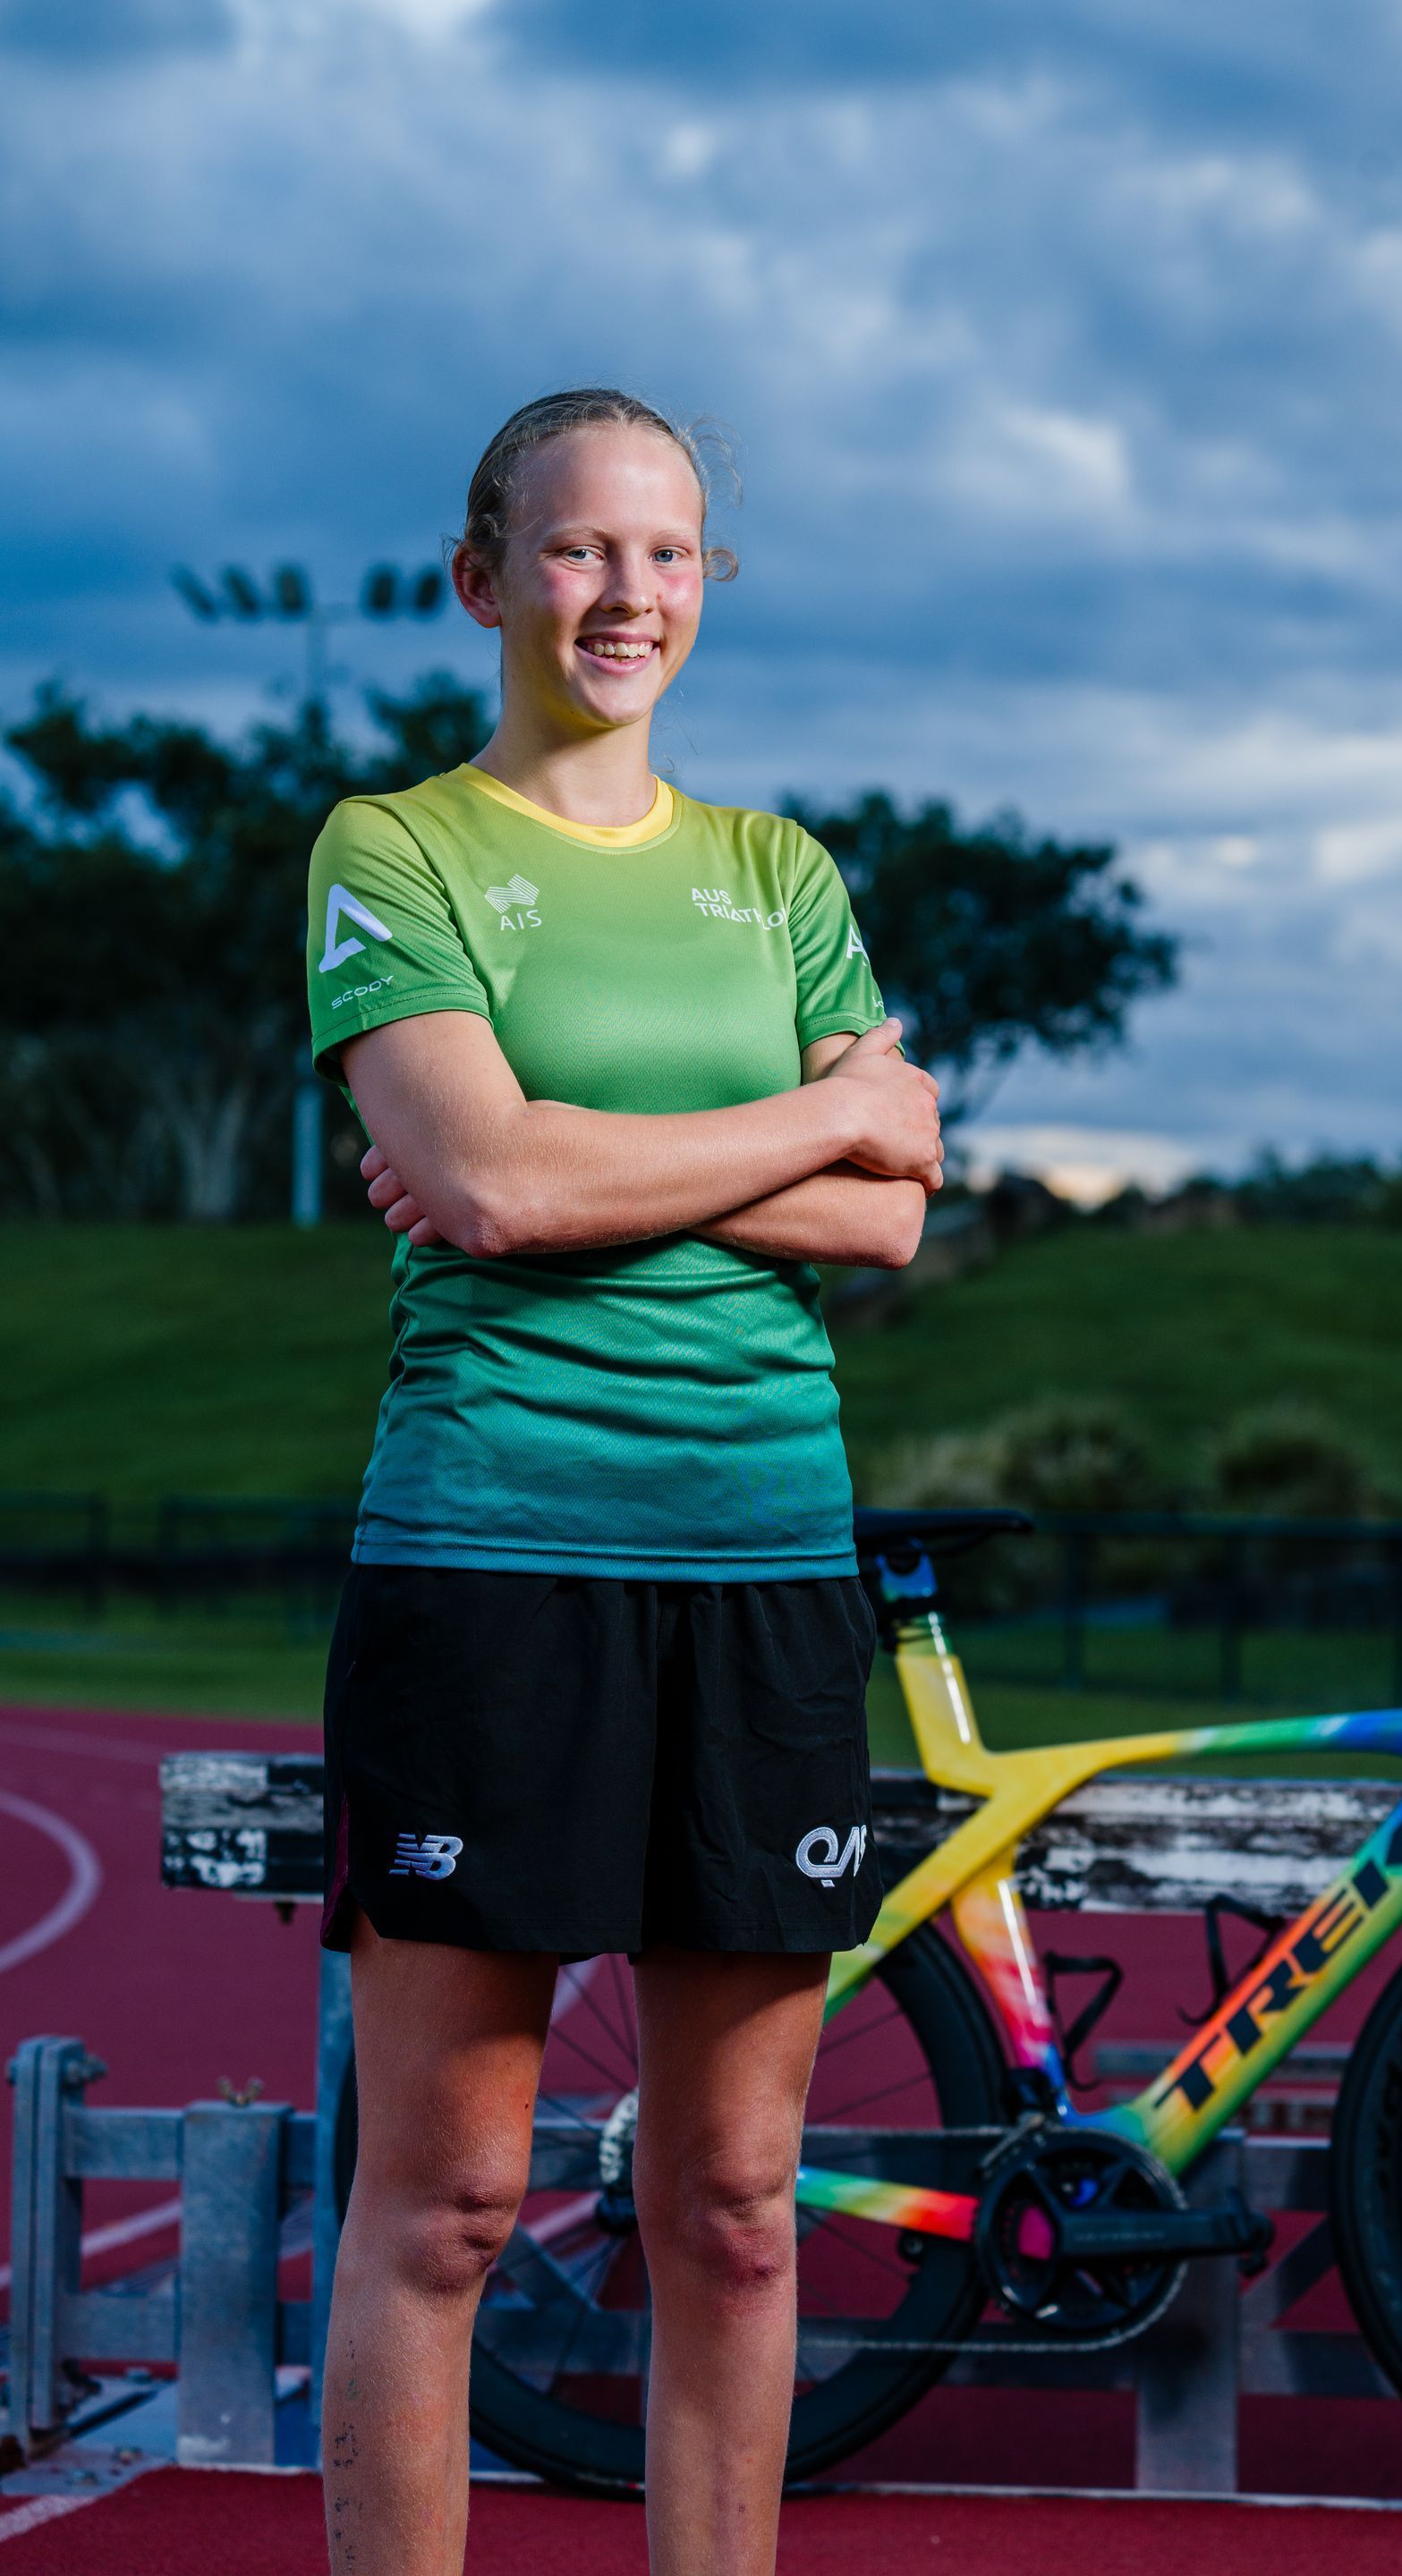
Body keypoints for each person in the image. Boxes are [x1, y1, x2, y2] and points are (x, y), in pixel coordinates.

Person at [304, 387, 942, 2576]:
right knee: (454, 2200)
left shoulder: (782, 877)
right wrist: (799, 1123)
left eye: (667, 555)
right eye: (579, 551)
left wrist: (574, 1166)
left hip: (762, 1564)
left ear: (710, 588)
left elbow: (893, 1221)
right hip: (491, 1561)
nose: (627, 595)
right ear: (486, 578)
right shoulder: (389, 849)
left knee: (742, 2212)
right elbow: (484, 1187)